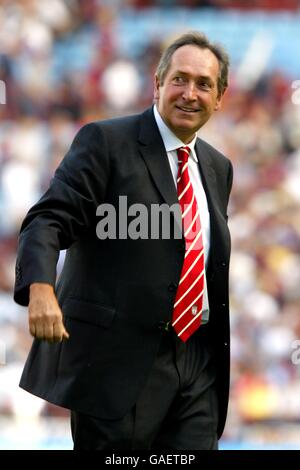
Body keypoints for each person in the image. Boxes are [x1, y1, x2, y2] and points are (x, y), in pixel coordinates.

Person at [14, 31, 233, 450]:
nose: (190, 93)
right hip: (116, 365)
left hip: (197, 364)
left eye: (204, 84)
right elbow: (48, 219)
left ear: (220, 96)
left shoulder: (218, 167)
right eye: (180, 80)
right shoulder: (106, 142)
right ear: (157, 84)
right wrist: (40, 287)